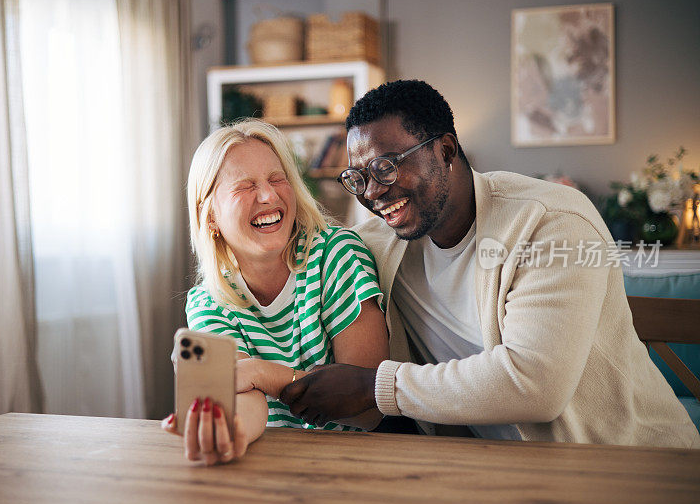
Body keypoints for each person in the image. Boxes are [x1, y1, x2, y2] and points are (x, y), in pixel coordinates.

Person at [280, 80, 700, 448]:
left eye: (385, 167)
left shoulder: (551, 222)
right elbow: (288, 260)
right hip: (499, 472)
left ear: (445, 149)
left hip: (633, 464)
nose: (372, 192)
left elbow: (535, 384)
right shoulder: (380, 244)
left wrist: (375, 387)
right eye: (357, 177)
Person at [162, 119, 390, 465]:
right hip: (274, 464)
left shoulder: (335, 255)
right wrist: (232, 429)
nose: (268, 195)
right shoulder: (209, 301)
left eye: (276, 178)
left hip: (358, 463)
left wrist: (262, 372)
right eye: (245, 185)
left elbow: (368, 407)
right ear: (210, 217)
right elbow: (241, 393)